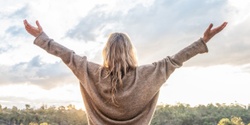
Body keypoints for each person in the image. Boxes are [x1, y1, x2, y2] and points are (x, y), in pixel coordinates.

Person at [23, 19, 227, 125]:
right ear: (131, 52)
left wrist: (43, 38)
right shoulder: (150, 74)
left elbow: (67, 55)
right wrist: (202, 42)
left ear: (105, 52)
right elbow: (176, 59)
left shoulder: (90, 72)